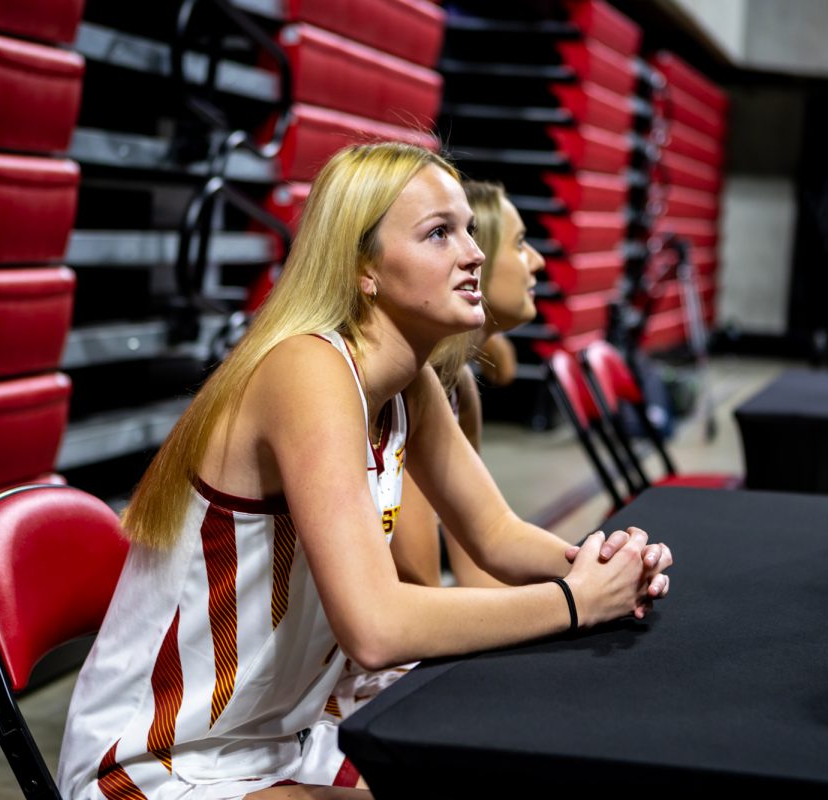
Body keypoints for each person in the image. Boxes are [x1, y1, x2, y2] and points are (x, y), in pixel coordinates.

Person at [57, 142, 672, 800]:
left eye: (469, 229)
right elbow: (375, 628)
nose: (473, 252)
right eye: (439, 233)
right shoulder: (308, 370)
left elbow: (494, 533)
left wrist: (601, 564)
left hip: (286, 739)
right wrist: (575, 603)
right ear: (364, 270)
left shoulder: (410, 382)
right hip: (161, 760)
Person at [390, 180, 544, 590]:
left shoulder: (456, 384)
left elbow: (480, 563)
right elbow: (419, 587)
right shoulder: (406, 392)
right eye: (520, 244)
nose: (537, 261)